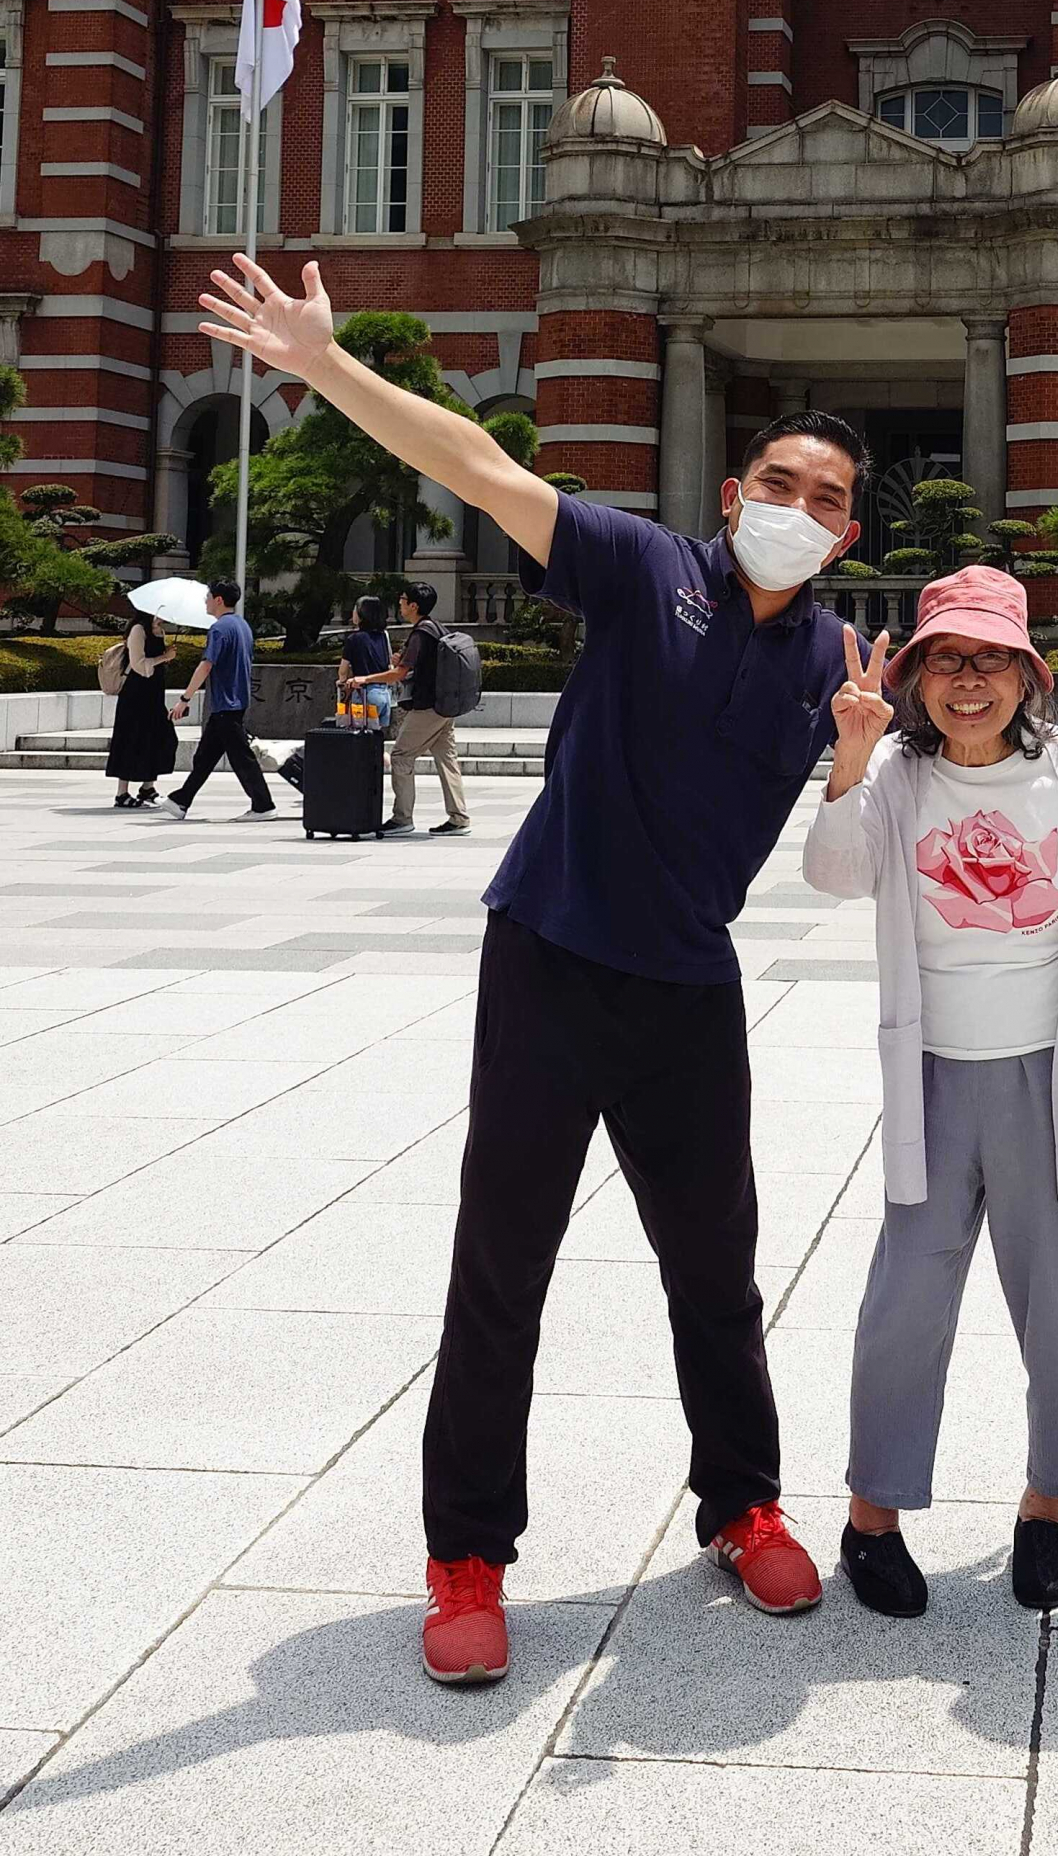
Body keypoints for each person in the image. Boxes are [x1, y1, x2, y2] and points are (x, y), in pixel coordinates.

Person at [196, 250, 873, 1688]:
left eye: (824, 498)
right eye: (777, 482)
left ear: (848, 530)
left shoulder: (835, 661)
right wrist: (322, 364)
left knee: (717, 1267)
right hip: (552, 956)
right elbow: (481, 463)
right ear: (733, 493)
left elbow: (949, 773)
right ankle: (467, 1557)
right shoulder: (646, 569)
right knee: (501, 1266)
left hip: (688, 987)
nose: (796, 508)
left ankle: (742, 1504)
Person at [803, 571, 1058, 1621]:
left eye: (991, 658)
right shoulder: (898, 776)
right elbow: (834, 873)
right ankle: (873, 1516)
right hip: (933, 1073)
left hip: (1056, 1074)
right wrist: (852, 753)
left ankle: (1047, 1507)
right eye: (947, 660)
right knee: (905, 1301)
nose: (970, 680)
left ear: (1027, 673)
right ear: (917, 677)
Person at [350, 582, 466, 835]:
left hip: (428, 706)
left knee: (401, 756)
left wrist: (365, 679)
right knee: (447, 759)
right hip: (445, 704)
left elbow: (398, 674)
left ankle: (402, 818)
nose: (400, 604)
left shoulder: (421, 633)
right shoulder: (437, 628)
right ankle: (459, 818)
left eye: (403, 600)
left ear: (413, 605)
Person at [165, 580, 275, 820]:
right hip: (234, 701)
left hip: (226, 702)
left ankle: (263, 805)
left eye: (208, 597)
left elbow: (206, 665)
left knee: (241, 758)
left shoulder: (219, 629)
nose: (205, 601)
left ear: (218, 600)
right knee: (205, 757)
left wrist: (185, 698)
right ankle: (181, 800)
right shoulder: (242, 626)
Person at [107, 612, 174, 808]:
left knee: (159, 736)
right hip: (135, 694)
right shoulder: (138, 630)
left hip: (154, 693)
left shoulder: (159, 631)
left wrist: (166, 655)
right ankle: (122, 792)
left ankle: (148, 787)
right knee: (131, 738)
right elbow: (138, 664)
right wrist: (164, 657)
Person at [338, 594, 393, 728]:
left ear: (362, 614)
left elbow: (343, 670)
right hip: (384, 693)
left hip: (364, 693)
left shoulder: (354, 639)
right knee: (377, 732)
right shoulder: (383, 636)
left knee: (360, 732)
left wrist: (342, 682)